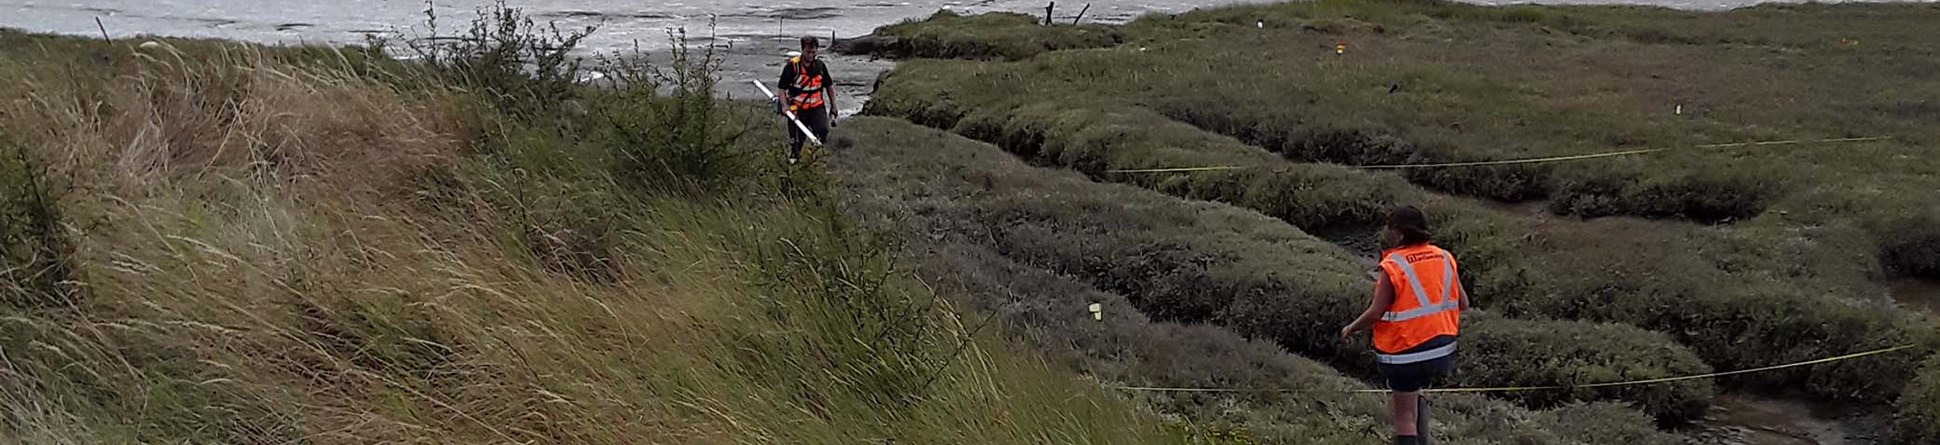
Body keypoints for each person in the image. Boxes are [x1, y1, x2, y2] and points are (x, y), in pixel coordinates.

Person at [1340, 205, 1467, 445]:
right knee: (1415, 396)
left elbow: (1375, 312)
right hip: (1443, 349)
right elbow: (1464, 303)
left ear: (1398, 232)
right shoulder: (1444, 256)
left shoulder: (1393, 265)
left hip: (1404, 354)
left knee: (1404, 417)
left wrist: (1351, 328)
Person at [777, 36, 837, 165]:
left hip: (816, 107)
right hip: (797, 109)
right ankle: (794, 165)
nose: (811, 55)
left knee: (822, 131)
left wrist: (834, 106)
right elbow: (781, 89)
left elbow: (829, 86)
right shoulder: (792, 67)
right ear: (802, 50)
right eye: (808, 52)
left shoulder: (820, 66)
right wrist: (784, 106)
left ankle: (813, 160)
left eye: (813, 52)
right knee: (797, 142)